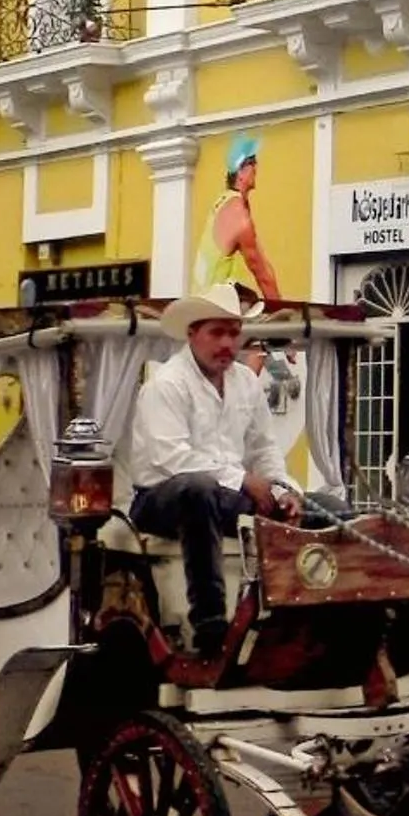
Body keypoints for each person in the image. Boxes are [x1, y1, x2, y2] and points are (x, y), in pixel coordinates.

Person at [129, 286, 302, 658]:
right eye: (217, 332)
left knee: (317, 508)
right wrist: (243, 480)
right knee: (198, 489)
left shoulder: (245, 383)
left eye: (233, 332)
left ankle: (296, 621)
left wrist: (283, 490)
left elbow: (264, 448)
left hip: (224, 494)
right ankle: (209, 623)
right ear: (192, 333)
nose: (227, 343)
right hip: (159, 499)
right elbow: (171, 457)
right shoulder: (167, 384)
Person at [192, 132, 283, 308]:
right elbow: (262, 274)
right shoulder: (237, 214)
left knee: (249, 299)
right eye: (251, 163)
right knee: (255, 306)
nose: (256, 167)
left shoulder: (224, 202)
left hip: (206, 300)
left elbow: (262, 262)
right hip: (214, 307)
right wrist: (284, 318)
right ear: (240, 172)